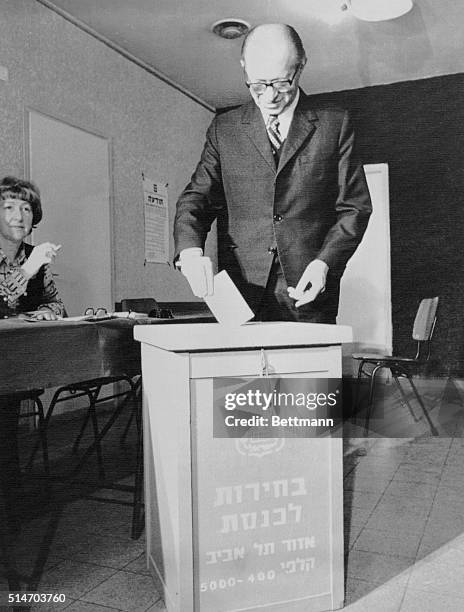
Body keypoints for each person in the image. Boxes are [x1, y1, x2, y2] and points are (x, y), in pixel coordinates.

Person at [174, 23, 372, 323]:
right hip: (242, 291)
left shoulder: (335, 125)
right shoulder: (224, 129)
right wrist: (189, 251)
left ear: (300, 67)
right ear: (244, 69)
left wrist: (324, 264)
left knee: (312, 370)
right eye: (257, 85)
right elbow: (196, 198)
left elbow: (355, 208)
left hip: (310, 290)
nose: (269, 96)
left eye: (281, 84)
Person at [0, 175, 65, 534]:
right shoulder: (30, 260)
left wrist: (41, 313)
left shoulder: (32, 256)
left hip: (13, 363)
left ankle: (12, 497)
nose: (18, 215)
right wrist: (27, 270)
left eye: (26, 207)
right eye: (8, 207)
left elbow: (55, 302)